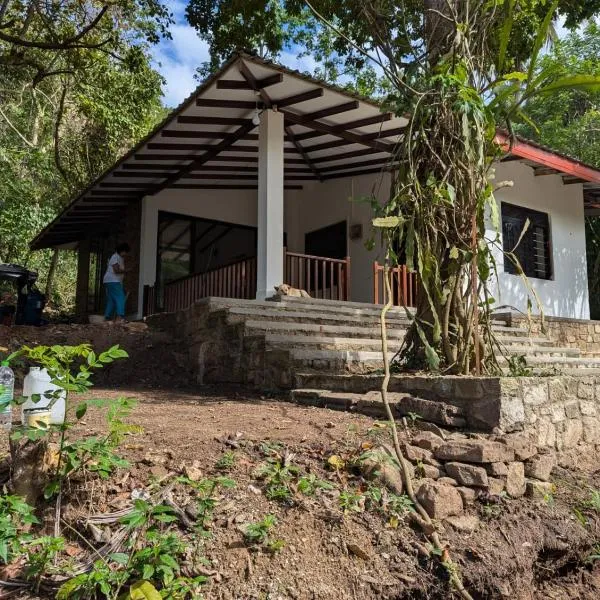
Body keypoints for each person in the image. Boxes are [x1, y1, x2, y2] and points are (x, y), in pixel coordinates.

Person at [103, 243, 130, 322]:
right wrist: (126, 271)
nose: (126, 254)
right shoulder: (115, 257)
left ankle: (107, 317)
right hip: (113, 280)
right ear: (122, 250)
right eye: (125, 252)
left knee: (111, 299)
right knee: (120, 297)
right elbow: (116, 270)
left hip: (112, 281)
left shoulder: (120, 258)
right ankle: (120, 316)